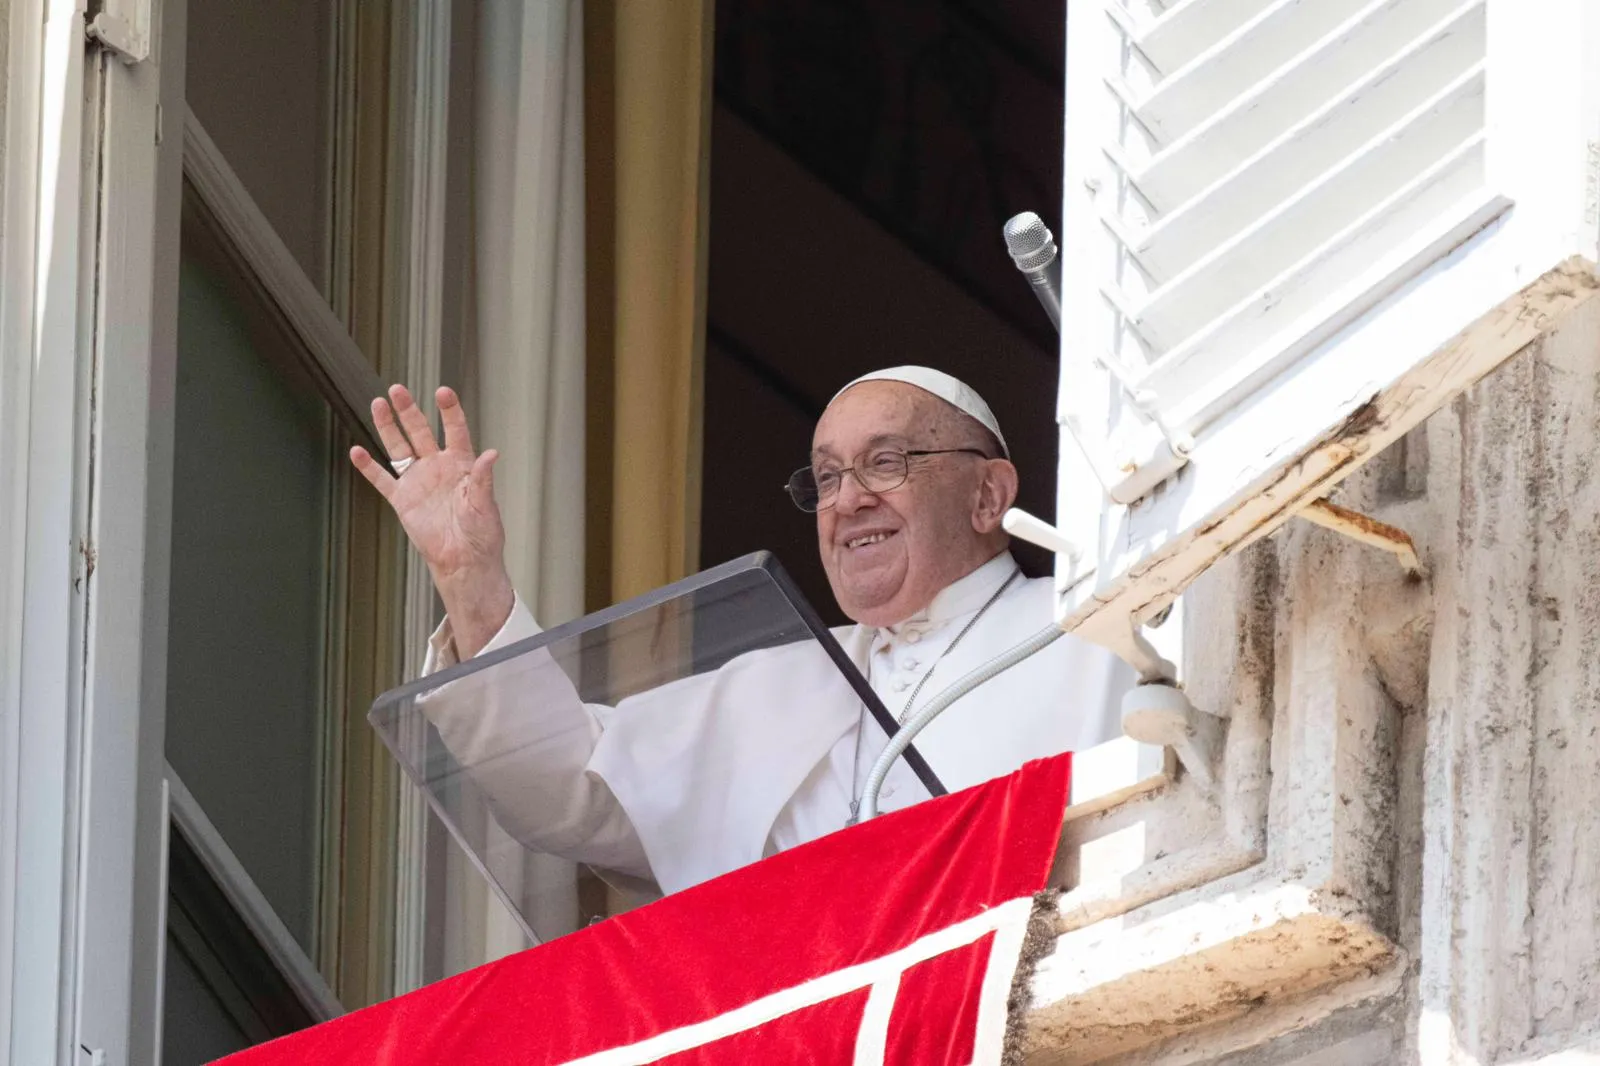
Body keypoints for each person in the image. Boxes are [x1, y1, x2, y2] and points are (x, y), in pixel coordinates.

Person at [350, 367, 1133, 894]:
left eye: (886, 463)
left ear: (988, 495)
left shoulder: (1096, 630)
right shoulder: (779, 683)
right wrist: (470, 579)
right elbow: (564, 791)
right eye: (827, 478)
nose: (847, 499)